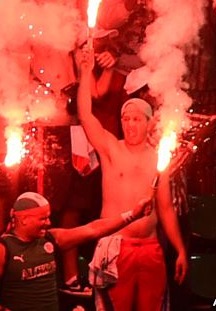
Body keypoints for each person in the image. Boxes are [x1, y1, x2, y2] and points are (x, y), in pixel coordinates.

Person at [76, 50, 188, 310]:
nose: (130, 125)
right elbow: (85, 116)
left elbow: (166, 209)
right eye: (125, 119)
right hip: (116, 246)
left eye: (136, 119)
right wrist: (85, 72)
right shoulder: (111, 149)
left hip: (150, 248)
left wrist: (180, 249)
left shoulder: (158, 159)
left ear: (149, 123)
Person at [0, 191, 154, 311]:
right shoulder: (2, 249)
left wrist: (132, 215)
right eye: (42, 219)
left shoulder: (52, 239)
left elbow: (93, 229)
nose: (48, 223)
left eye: (48, 217)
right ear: (24, 219)